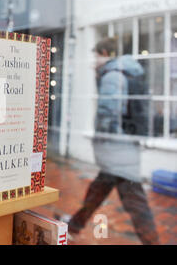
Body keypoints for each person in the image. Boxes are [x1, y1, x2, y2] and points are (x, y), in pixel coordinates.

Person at [65, 37, 160, 245]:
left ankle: (153, 242)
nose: (94, 59)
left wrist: (105, 145)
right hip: (125, 147)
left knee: (135, 202)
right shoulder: (125, 72)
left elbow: (108, 115)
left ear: (105, 53)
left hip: (118, 150)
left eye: (96, 55)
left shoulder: (112, 75)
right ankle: (73, 224)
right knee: (98, 191)